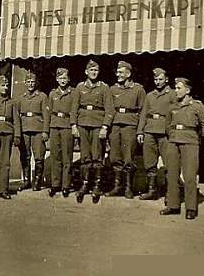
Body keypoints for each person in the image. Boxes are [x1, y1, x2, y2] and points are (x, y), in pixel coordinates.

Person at [160, 78, 204, 220]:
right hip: (173, 142)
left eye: (178, 88)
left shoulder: (197, 106)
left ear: (187, 90)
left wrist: (195, 137)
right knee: (172, 175)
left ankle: (190, 208)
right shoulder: (172, 107)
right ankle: (173, 206)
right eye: (175, 87)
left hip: (190, 143)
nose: (175, 90)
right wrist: (172, 136)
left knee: (189, 176)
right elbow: (167, 126)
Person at [103, 61, 146, 199]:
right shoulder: (112, 89)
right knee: (115, 156)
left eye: (121, 72)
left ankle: (128, 188)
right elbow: (109, 109)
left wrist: (140, 131)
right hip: (115, 126)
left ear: (128, 73)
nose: (118, 75)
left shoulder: (138, 89)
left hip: (130, 126)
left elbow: (143, 112)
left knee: (128, 157)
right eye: (117, 72)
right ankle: (117, 187)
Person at [70, 60, 109, 204]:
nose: (94, 73)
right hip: (82, 125)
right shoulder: (80, 88)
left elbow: (109, 109)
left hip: (98, 125)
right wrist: (73, 125)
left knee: (97, 156)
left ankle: (97, 185)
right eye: (91, 70)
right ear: (86, 72)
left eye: (96, 70)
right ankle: (85, 183)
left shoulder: (104, 88)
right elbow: (74, 108)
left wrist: (105, 127)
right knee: (85, 156)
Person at [136, 67, 176, 200]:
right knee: (149, 162)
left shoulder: (172, 95)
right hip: (149, 131)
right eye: (155, 79)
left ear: (166, 80)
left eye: (160, 79)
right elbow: (143, 114)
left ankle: (169, 192)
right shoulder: (149, 95)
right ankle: (151, 190)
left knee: (169, 162)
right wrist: (140, 131)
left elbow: (176, 113)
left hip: (165, 132)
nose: (157, 82)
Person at [16, 71, 49, 191]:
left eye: (33, 82)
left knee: (39, 156)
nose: (30, 84)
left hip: (38, 130)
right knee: (25, 156)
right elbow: (17, 117)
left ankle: (37, 182)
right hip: (24, 129)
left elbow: (46, 115)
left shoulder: (42, 96)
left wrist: (45, 131)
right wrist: (17, 133)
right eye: (28, 82)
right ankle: (26, 181)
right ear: (25, 83)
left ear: (36, 83)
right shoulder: (20, 98)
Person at [46, 68, 74, 198]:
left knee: (67, 157)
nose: (63, 81)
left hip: (67, 126)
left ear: (68, 79)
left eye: (65, 78)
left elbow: (75, 111)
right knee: (55, 156)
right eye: (60, 78)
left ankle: (66, 185)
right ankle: (55, 184)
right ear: (57, 79)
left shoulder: (73, 93)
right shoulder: (52, 94)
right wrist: (46, 130)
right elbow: (48, 112)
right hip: (54, 126)